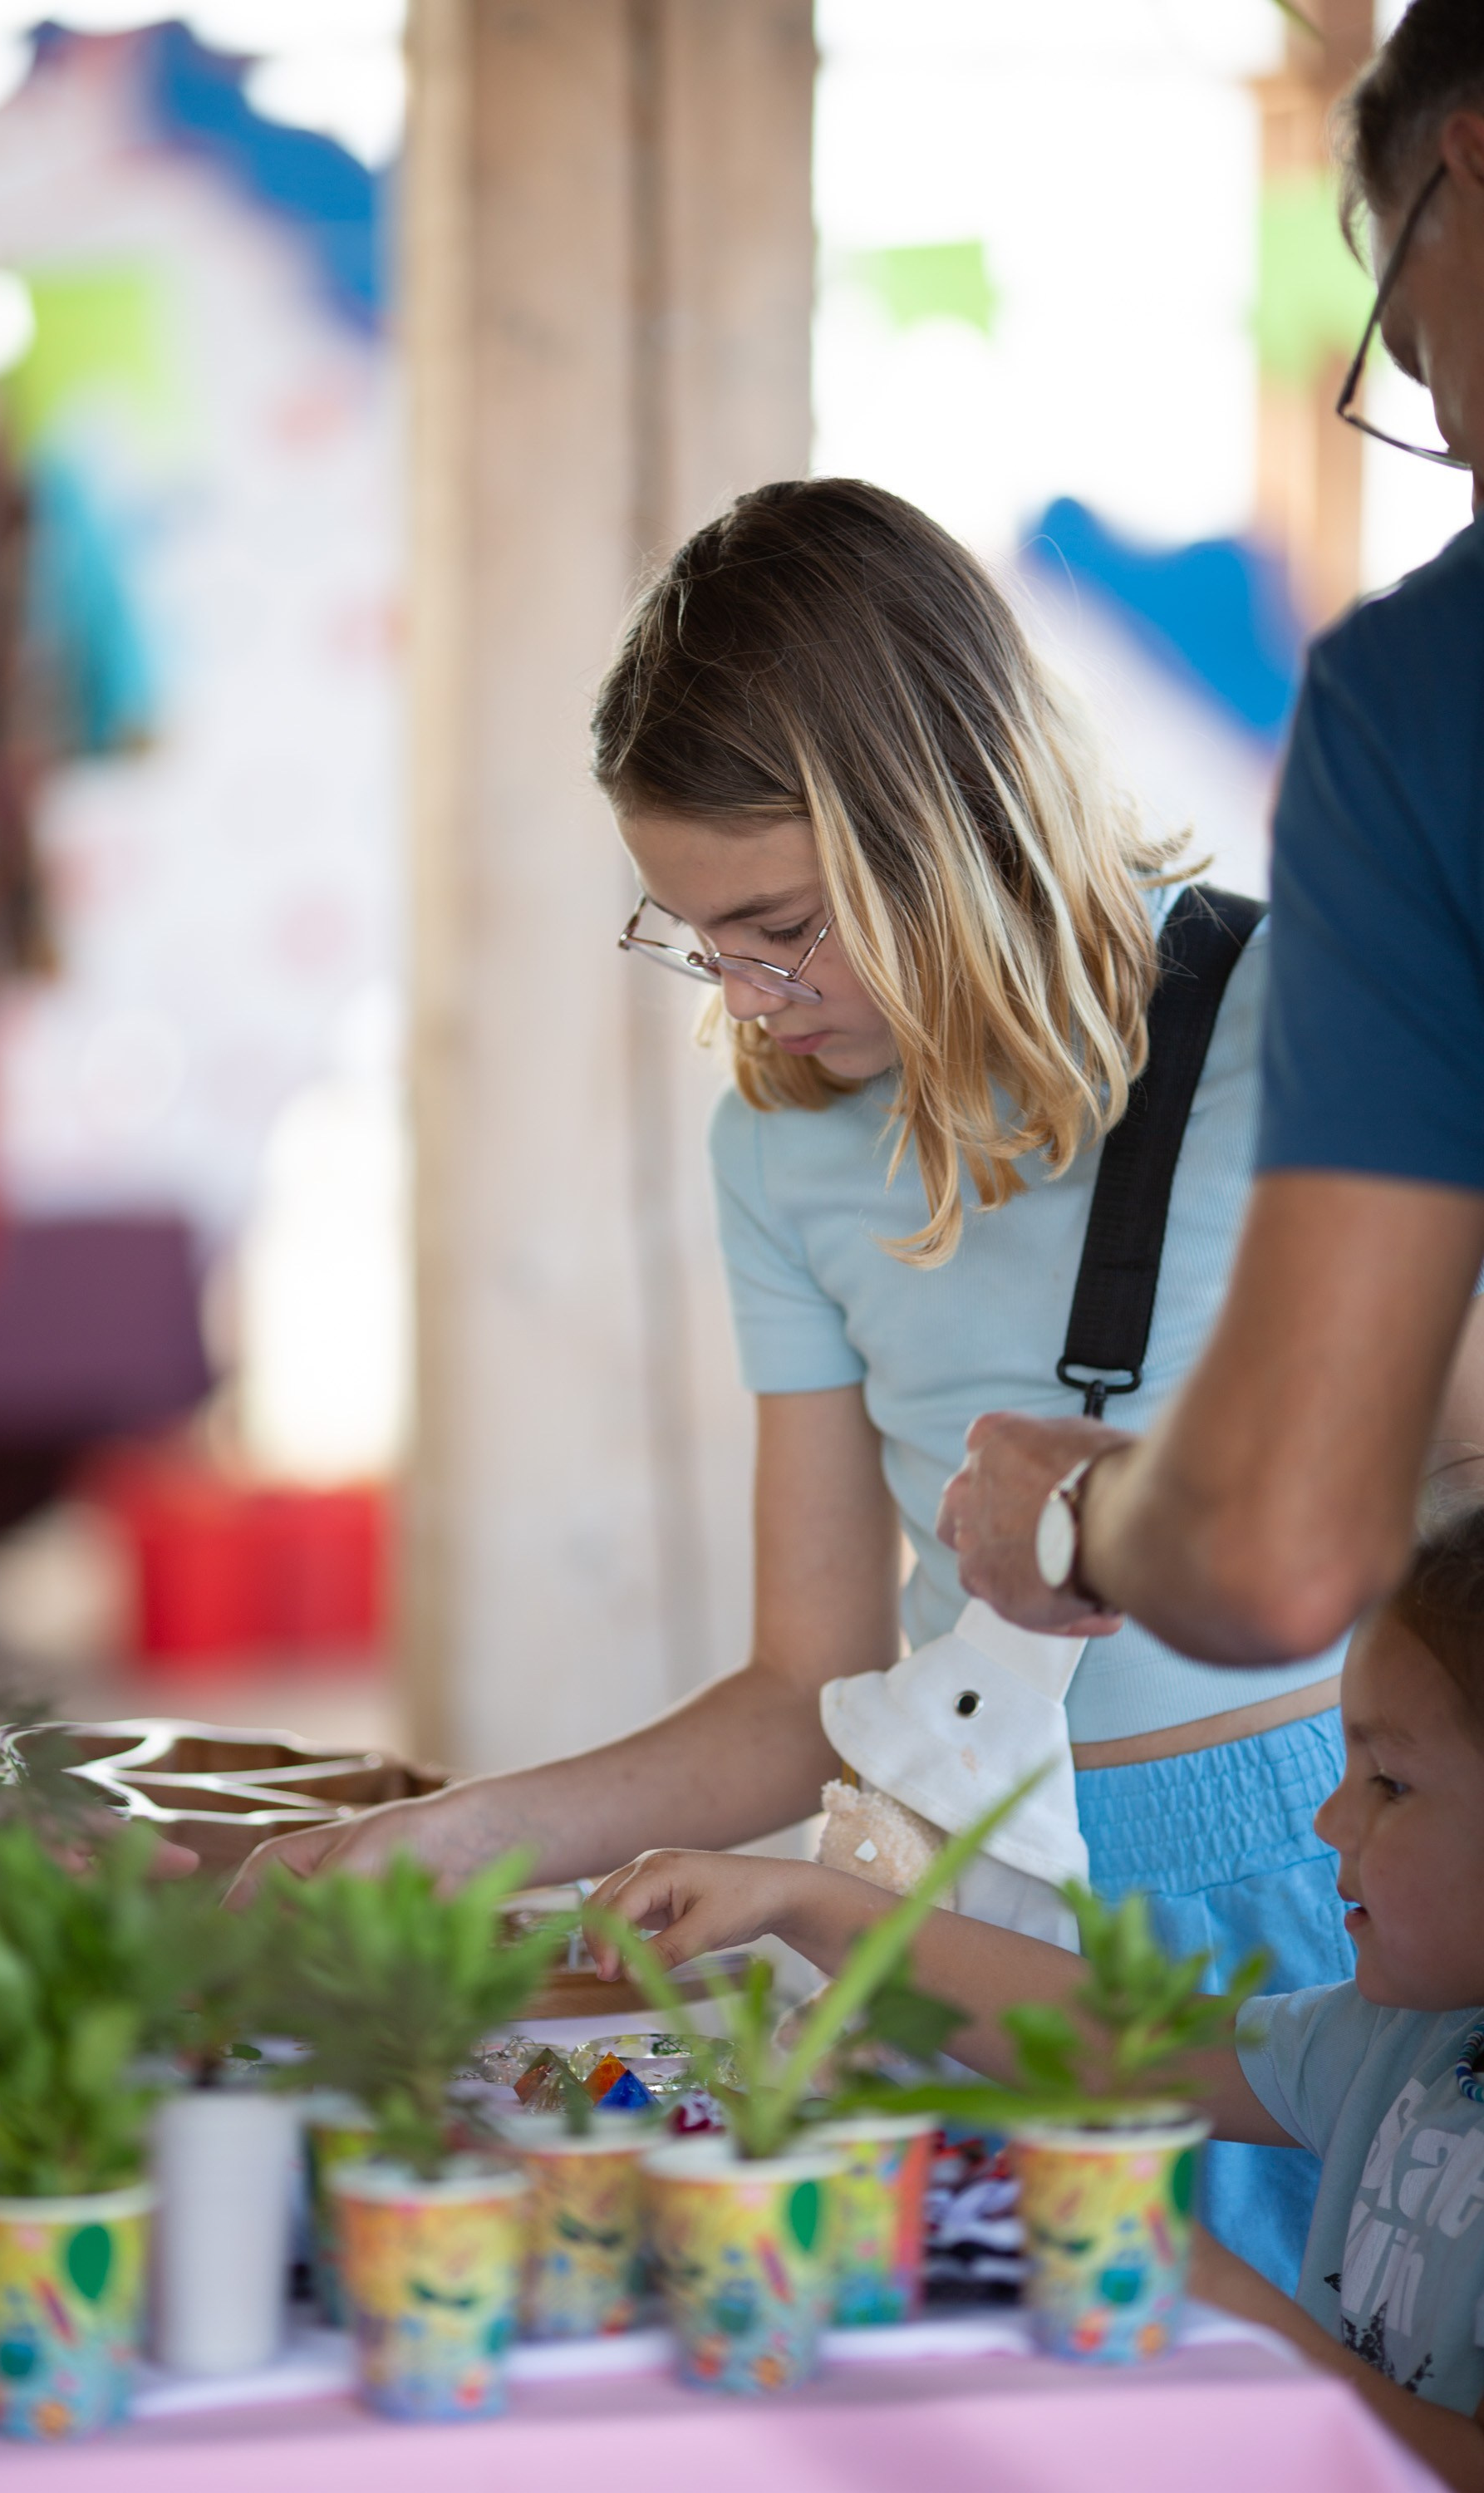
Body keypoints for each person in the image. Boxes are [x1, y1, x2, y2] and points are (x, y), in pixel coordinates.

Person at [231, 476, 1354, 2284]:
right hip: (971, 1927)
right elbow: (808, 1681)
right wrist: (467, 1831)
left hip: (1320, 1897)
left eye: (783, 927)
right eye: (702, 942)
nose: (747, 1001)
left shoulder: (1306, 1028)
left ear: (949, 817)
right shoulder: (786, 1154)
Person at [937, 0, 1484, 1668]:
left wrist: (1073, 1514)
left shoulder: (1421, 696)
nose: (1451, 436)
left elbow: (1274, 1544)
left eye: (1410, 344)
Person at [585, 1502, 1484, 2493]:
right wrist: (806, 1902)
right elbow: (1107, 2035)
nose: (1327, 1815)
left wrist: (1239, 2320)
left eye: (1390, 1784)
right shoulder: (1395, 2041)